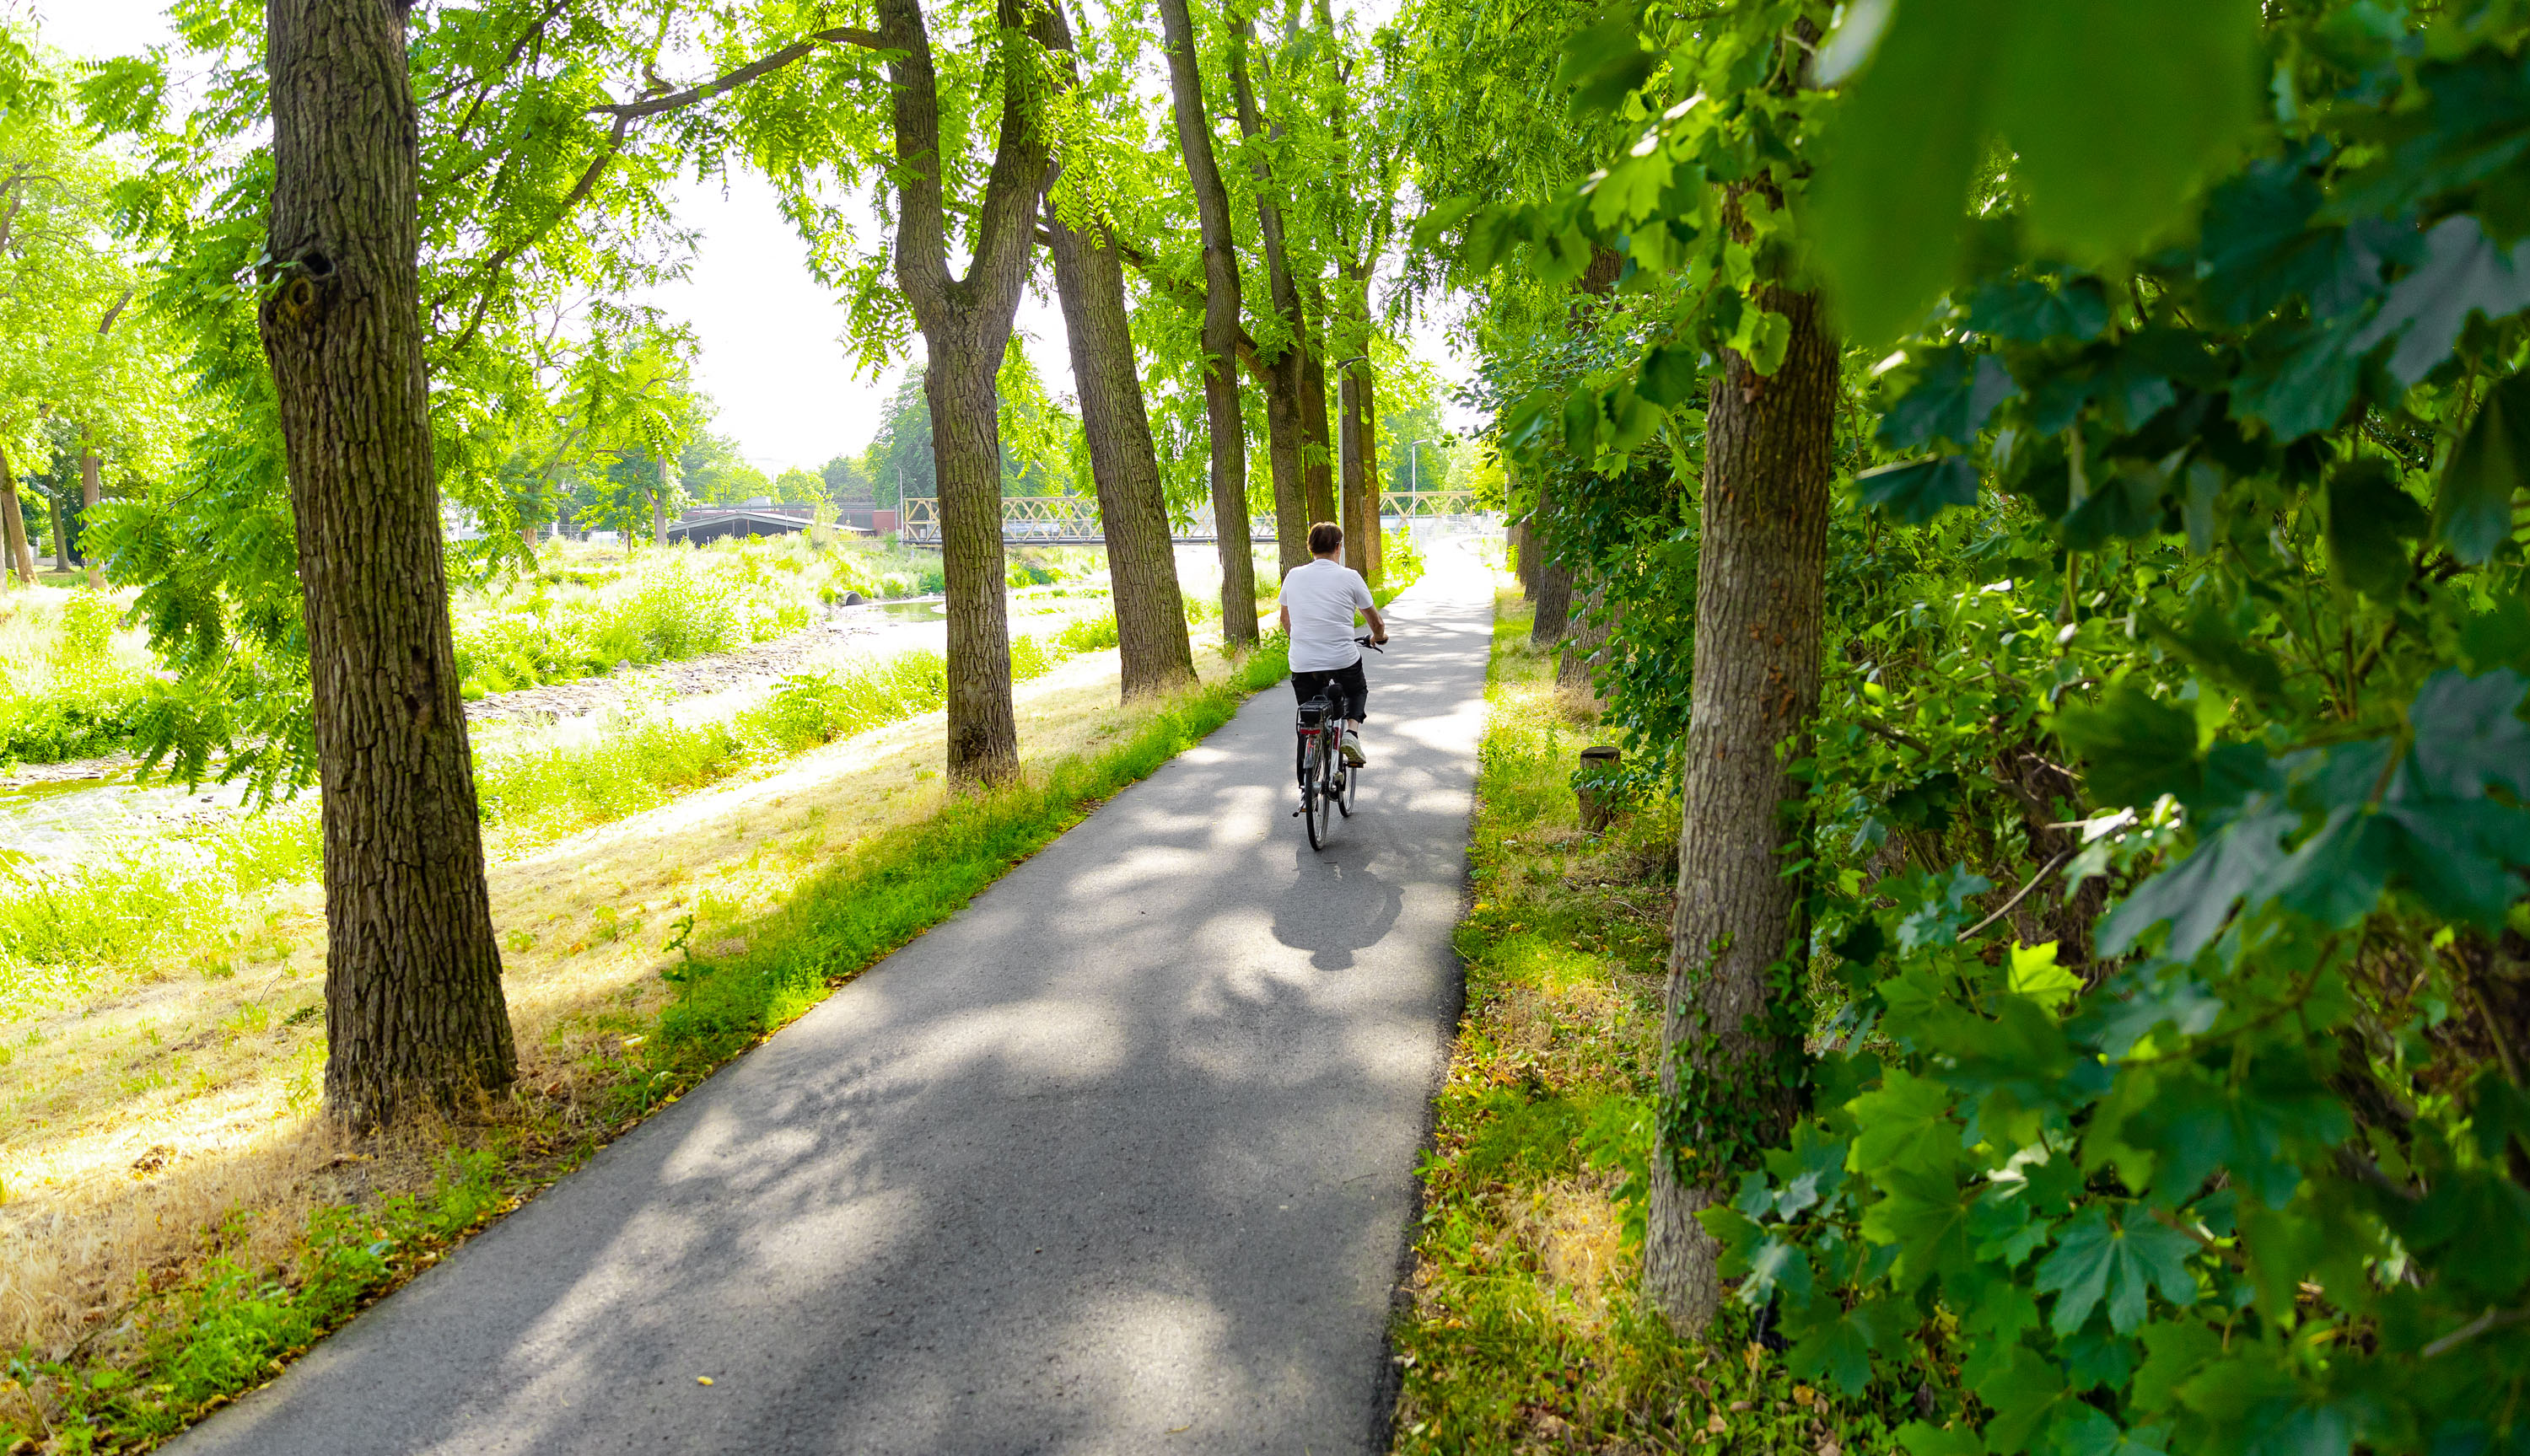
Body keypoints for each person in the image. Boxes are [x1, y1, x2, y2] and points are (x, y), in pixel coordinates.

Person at [1277, 520, 1388, 766]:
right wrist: (1378, 637)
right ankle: (1351, 733)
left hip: (1302, 660)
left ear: (1310, 548)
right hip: (1342, 659)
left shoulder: (1293, 576)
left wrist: (1301, 640)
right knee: (1357, 690)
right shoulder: (1350, 577)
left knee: (1308, 718)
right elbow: (1375, 621)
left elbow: (1285, 618)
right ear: (1339, 547)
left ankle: (1305, 793)